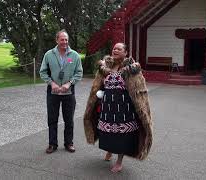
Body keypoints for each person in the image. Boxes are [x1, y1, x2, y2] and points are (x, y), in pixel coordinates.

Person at [83, 43, 152, 172]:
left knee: (122, 135)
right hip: (108, 107)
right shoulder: (105, 67)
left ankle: (119, 162)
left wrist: (140, 107)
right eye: (114, 48)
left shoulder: (132, 69)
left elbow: (140, 89)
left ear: (125, 53)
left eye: (119, 49)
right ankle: (109, 149)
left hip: (124, 108)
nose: (115, 50)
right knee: (107, 131)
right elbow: (98, 86)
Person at [39, 30, 83, 154]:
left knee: (69, 119)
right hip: (52, 92)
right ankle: (52, 144)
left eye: (66, 39)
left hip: (69, 92)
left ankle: (69, 143)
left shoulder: (74, 55)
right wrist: (51, 83)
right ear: (57, 40)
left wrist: (69, 83)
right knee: (52, 119)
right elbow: (42, 72)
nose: (64, 42)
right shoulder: (49, 54)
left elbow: (79, 73)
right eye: (62, 39)